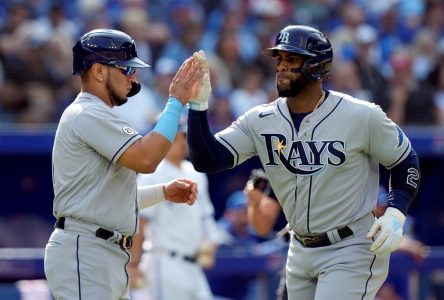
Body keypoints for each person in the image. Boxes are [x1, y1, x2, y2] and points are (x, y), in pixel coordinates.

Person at [186, 25, 421, 299]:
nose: (282, 67)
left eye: (292, 60)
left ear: (317, 66)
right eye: (280, 60)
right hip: (299, 249)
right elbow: (208, 159)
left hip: (349, 246)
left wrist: (395, 213)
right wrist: (198, 107)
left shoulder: (360, 115)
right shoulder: (259, 120)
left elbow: (406, 160)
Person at [44, 29, 204, 300]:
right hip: (87, 250)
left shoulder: (98, 114)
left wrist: (163, 192)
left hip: (103, 252)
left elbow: (111, 200)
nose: (133, 78)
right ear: (98, 71)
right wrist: (176, 101)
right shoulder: (87, 112)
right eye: (126, 69)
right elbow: (147, 158)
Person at [129, 124, 221, 300]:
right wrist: (133, 263)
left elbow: (206, 217)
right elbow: (140, 221)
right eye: (178, 136)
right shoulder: (152, 171)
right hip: (164, 262)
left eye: (185, 136)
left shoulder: (195, 172)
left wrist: (212, 241)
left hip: (194, 266)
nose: (182, 141)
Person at [244, 168, 288, 300]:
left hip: (341, 245)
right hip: (298, 251)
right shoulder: (285, 166)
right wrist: (254, 204)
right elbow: (262, 228)